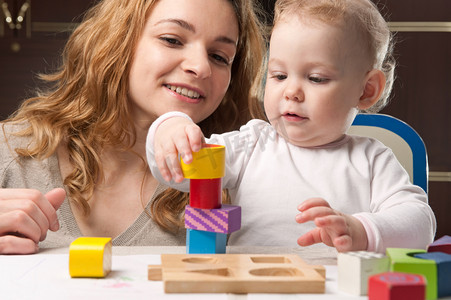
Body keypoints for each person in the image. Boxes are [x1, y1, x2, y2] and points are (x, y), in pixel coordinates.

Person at [147, 0, 436, 253]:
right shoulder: (251, 145)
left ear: (366, 90)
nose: (291, 92)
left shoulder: (372, 160)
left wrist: (361, 230)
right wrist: (170, 128)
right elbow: (181, 175)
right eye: (279, 75)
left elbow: (420, 223)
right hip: (252, 286)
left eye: (316, 78)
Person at [0, 0, 266, 255]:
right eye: (172, 40)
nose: (200, 67)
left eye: (219, 56)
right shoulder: (10, 152)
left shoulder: (241, 178)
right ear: (119, 39)